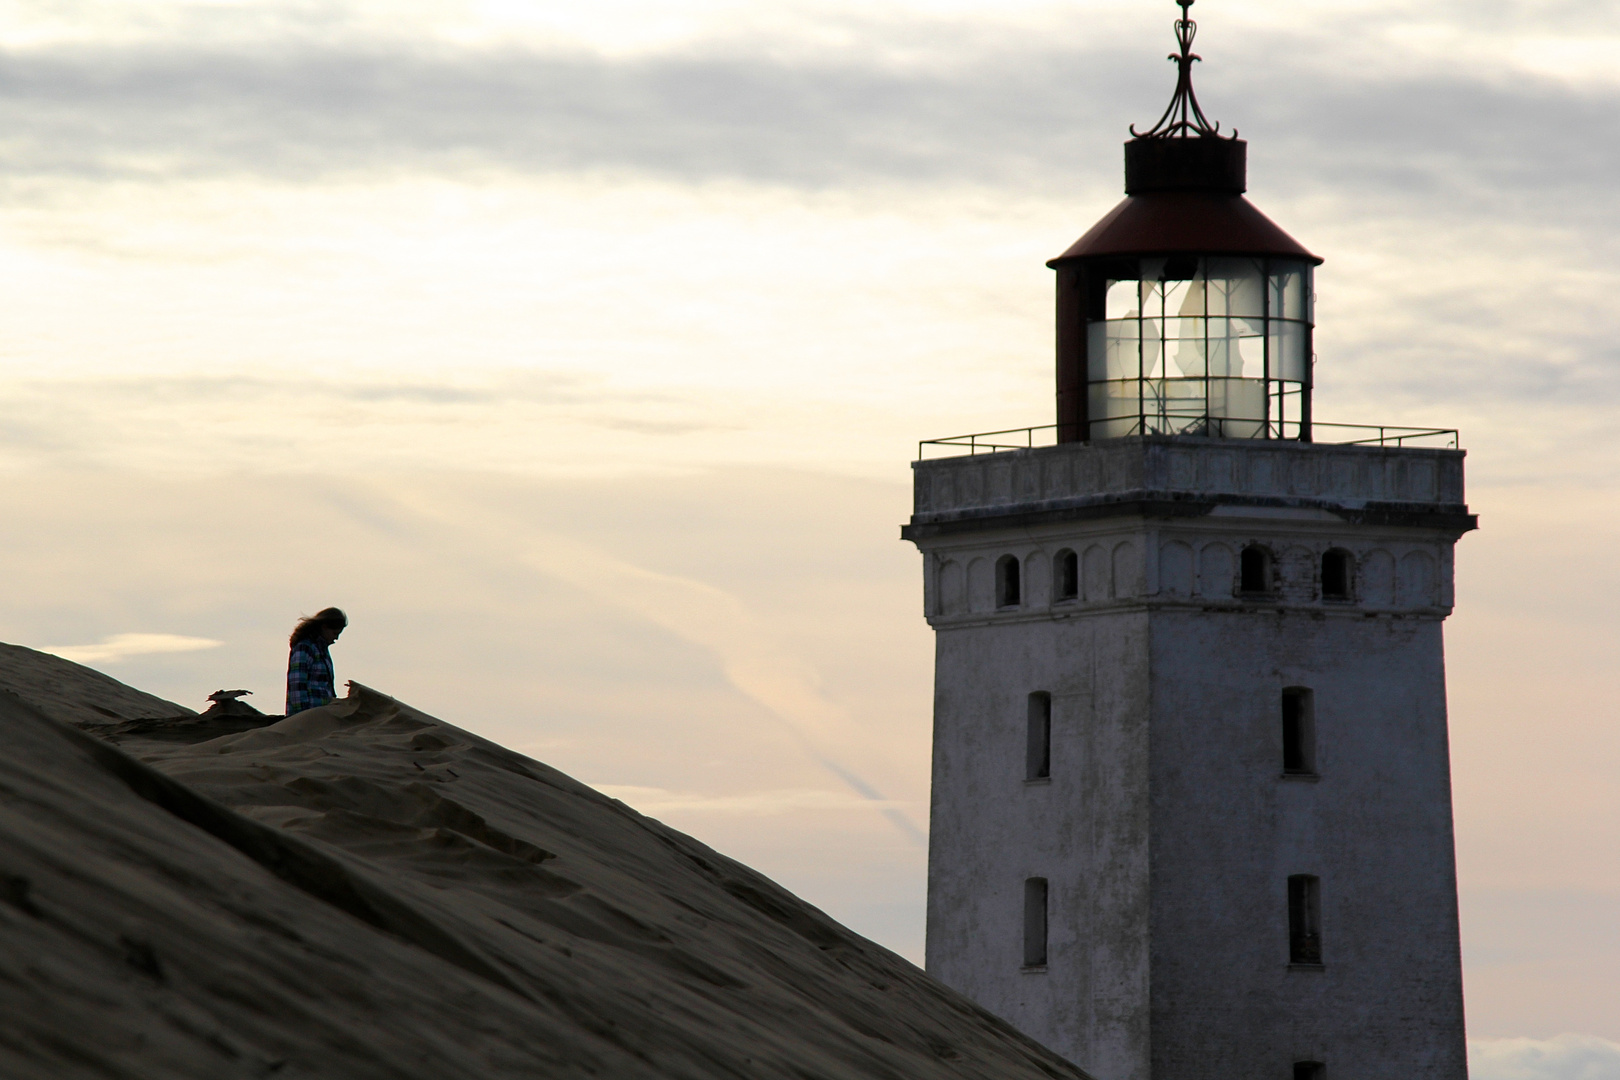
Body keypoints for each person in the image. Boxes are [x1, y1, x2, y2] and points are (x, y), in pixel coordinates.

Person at [286, 607, 347, 716]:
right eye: (334, 633)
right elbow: (297, 684)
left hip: (323, 716)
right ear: (324, 627)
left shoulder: (322, 650)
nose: (336, 638)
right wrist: (302, 716)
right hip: (306, 719)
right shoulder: (305, 647)